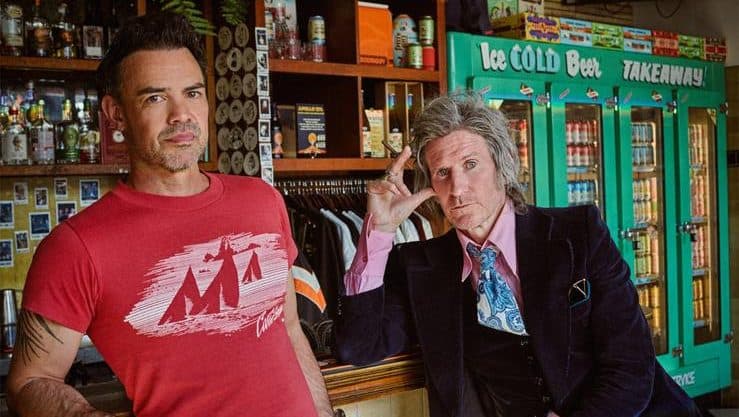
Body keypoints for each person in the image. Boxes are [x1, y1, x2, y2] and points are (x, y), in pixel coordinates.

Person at [7, 12, 333, 417]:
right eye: (155, 98)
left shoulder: (262, 201)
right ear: (116, 114)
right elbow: (29, 381)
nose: (181, 114)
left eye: (192, 93)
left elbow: (289, 330)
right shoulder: (77, 247)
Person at [334, 92, 700, 417]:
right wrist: (379, 231)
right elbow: (358, 346)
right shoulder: (420, 265)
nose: (457, 188)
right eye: (442, 172)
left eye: (470, 165)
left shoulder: (579, 233)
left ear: (502, 165)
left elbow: (632, 365)